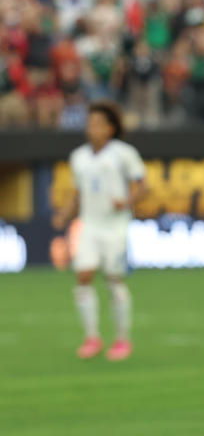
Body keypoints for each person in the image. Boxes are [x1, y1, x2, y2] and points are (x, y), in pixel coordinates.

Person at [51, 101, 146, 361]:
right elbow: (78, 193)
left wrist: (126, 202)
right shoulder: (79, 157)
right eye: (89, 123)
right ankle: (92, 337)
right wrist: (64, 215)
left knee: (114, 279)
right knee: (83, 277)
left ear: (110, 128)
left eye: (97, 124)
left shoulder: (123, 153)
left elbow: (142, 186)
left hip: (115, 226)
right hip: (89, 225)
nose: (92, 128)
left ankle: (122, 340)